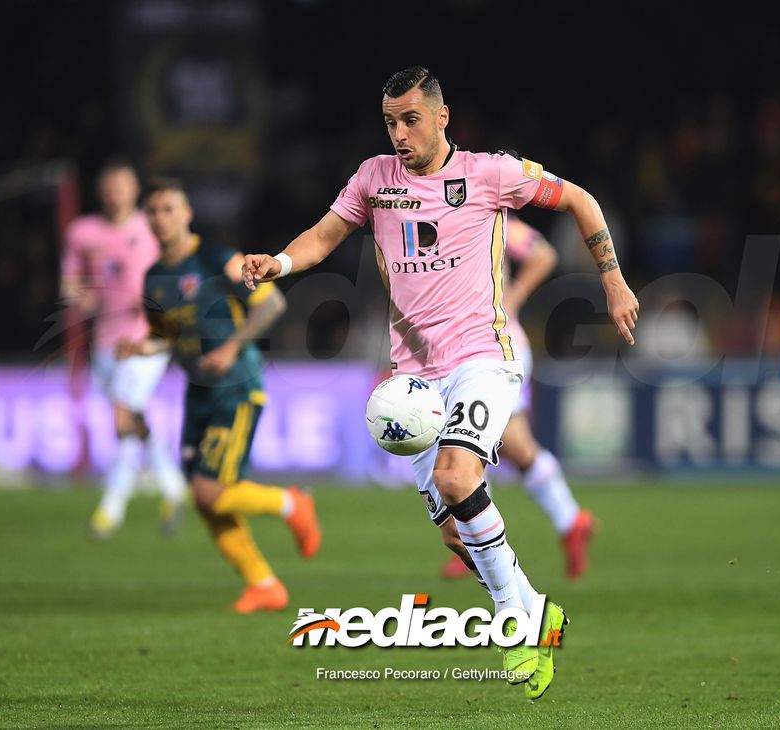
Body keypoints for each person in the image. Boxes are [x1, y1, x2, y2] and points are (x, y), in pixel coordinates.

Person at [243, 67, 639, 699]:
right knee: (457, 535)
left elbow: (580, 200)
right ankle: (536, 611)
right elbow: (323, 237)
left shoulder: (491, 174)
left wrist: (612, 279)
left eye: (411, 120)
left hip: (484, 359)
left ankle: (515, 625)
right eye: (390, 123)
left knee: (458, 478)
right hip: (415, 382)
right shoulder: (375, 179)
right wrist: (281, 262)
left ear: (441, 117)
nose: (399, 134)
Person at [118, 178, 321, 614]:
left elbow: (271, 305)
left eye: (169, 209)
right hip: (197, 392)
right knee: (204, 500)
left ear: (187, 213)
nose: (160, 218)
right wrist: (141, 348)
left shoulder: (216, 258)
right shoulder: (154, 277)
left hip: (236, 387)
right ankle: (264, 584)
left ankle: (292, 503)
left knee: (210, 492)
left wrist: (230, 348)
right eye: (152, 211)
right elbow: (166, 336)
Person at [440, 215, 597, 581]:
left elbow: (543, 254)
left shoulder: (485, 217)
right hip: (464, 348)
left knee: (469, 441)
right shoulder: (440, 218)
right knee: (513, 445)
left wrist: (511, 299)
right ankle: (571, 520)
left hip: (495, 346)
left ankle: (475, 541)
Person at [60, 159, 187, 539]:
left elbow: (181, 269)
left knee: (123, 416)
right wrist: (83, 297)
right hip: (107, 342)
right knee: (131, 418)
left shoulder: (153, 227)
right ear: (102, 192)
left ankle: (110, 508)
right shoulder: (83, 232)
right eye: (110, 188)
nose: (116, 194)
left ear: (134, 192)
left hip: (148, 337)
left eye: (122, 187)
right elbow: (69, 284)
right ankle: (172, 485)